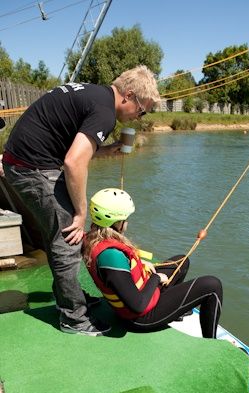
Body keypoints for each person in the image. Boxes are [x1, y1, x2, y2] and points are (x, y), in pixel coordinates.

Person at [2, 66, 160, 336]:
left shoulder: (95, 94)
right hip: (33, 168)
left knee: (60, 235)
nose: (139, 116)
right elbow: (74, 162)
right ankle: (74, 318)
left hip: (26, 162)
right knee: (68, 238)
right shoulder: (105, 113)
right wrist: (81, 212)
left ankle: (70, 297)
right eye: (141, 110)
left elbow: (71, 148)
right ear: (129, 95)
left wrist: (105, 150)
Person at [83, 188, 223, 338]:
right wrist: (156, 279)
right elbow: (138, 305)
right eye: (126, 218)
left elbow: (119, 275)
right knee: (212, 285)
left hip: (141, 298)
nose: (127, 222)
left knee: (182, 261)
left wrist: (141, 264)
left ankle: (175, 311)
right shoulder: (111, 256)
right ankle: (212, 341)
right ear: (117, 222)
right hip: (140, 318)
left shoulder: (93, 238)